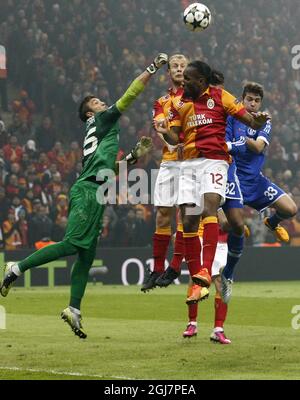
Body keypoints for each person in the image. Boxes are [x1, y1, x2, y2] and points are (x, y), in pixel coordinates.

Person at [0, 53, 168, 339]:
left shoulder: (98, 133)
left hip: (97, 186)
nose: (102, 103)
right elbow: (129, 95)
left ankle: (73, 309)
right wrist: (151, 68)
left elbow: (110, 169)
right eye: (95, 102)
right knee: (71, 244)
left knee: (86, 255)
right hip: (90, 189)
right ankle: (16, 267)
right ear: (90, 113)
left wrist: (132, 157)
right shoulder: (101, 120)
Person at [155, 61, 271, 304]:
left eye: (188, 78)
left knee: (209, 207)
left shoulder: (221, 97)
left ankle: (206, 270)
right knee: (188, 219)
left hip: (215, 161)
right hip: (188, 163)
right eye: (183, 78)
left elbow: (248, 120)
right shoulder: (179, 104)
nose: (183, 82)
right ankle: (198, 277)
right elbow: (175, 138)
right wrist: (164, 130)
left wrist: (258, 122)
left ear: (201, 81)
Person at [221, 82, 297, 302]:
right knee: (231, 226)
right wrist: (240, 140)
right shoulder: (232, 118)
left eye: (256, 101)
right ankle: (228, 274)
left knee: (291, 209)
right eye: (249, 100)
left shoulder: (266, 121)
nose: (253, 104)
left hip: (256, 182)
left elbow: (257, 147)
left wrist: (239, 141)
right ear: (242, 100)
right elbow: (223, 145)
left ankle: (271, 223)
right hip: (232, 177)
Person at [141, 54, 188, 292]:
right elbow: (161, 127)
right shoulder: (161, 101)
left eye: (183, 66)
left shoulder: (196, 95)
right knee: (162, 215)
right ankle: (157, 268)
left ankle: (176, 264)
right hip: (170, 160)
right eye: (175, 67)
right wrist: (171, 145)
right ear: (168, 72)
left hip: (191, 160)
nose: (179, 69)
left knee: (184, 214)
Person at [183, 211, 231, 344]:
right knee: (195, 279)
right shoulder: (195, 194)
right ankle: (192, 323)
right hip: (199, 237)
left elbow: (229, 217)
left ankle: (218, 329)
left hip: (221, 242)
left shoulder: (225, 193)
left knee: (221, 282)